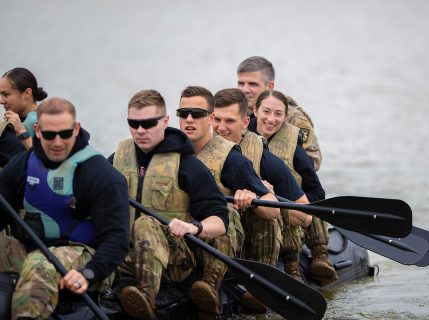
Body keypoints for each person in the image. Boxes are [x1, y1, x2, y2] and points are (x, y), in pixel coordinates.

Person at [0, 97, 130, 320]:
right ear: (38, 131)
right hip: (29, 248)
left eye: (65, 134)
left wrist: (89, 274)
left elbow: (117, 239)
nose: (57, 142)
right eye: (50, 135)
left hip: (86, 257)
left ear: (76, 128)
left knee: (40, 262)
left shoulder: (102, 175)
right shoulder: (20, 166)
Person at [110, 89, 230, 320]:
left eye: (148, 123)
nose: (140, 131)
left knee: (146, 223)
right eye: (133, 124)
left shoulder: (188, 166)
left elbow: (220, 219)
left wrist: (194, 228)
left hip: (174, 263)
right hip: (124, 256)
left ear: (165, 121)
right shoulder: (117, 158)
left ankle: (146, 298)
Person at [178, 86, 281, 314]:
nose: (189, 120)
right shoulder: (164, 153)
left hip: (218, 241)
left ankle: (213, 283)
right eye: (183, 114)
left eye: (197, 114)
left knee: (226, 211)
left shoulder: (233, 160)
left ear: (208, 117)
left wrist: (253, 197)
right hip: (176, 238)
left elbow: (273, 210)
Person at [249, 89, 338, 286]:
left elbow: (317, 192)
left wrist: (289, 201)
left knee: (287, 206)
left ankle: (299, 263)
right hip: (248, 208)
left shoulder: (293, 144)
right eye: (266, 112)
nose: (271, 119)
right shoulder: (240, 135)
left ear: (285, 116)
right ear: (255, 111)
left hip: (288, 214)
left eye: (278, 114)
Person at [237, 56, 322, 171]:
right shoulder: (236, 113)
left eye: (252, 84)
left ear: (270, 86)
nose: (245, 89)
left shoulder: (294, 118)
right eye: (241, 83)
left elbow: (314, 161)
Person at [0, 67, 48, 150]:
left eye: (6, 94)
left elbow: (45, 160)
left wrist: (22, 132)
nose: (1, 101)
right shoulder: (14, 122)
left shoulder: (41, 121)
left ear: (27, 93)